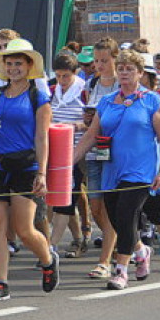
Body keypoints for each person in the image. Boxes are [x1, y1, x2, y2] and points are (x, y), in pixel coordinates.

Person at [0, 38, 59, 302]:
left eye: (18, 63)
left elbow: (42, 138)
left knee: (24, 229)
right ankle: (1, 282)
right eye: (9, 63)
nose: (13, 68)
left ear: (29, 66)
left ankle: (48, 259)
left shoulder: (38, 97)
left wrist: (42, 173)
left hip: (25, 166)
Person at [74, 50, 160, 289]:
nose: (125, 73)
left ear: (140, 73)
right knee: (117, 219)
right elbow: (91, 136)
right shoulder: (107, 102)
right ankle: (141, 251)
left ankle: (121, 271)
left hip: (140, 170)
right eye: (122, 69)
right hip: (111, 168)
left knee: (127, 215)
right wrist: (69, 162)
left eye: (130, 69)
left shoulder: (152, 101)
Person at [81, 39, 120, 279]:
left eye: (104, 60)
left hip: (115, 153)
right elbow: (87, 119)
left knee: (111, 206)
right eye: (96, 61)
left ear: (115, 59)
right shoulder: (91, 83)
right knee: (95, 207)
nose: (99, 65)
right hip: (95, 151)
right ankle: (129, 244)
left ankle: (105, 260)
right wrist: (87, 119)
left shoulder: (122, 84)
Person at [48, 51, 89, 255]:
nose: (62, 80)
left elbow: (91, 121)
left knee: (67, 197)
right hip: (54, 151)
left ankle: (52, 245)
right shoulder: (51, 90)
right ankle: (78, 238)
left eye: (66, 76)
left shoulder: (84, 91)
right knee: (61, 197)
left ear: (75, 73)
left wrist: (74, 125)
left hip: (77, 151)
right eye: (58, 75)